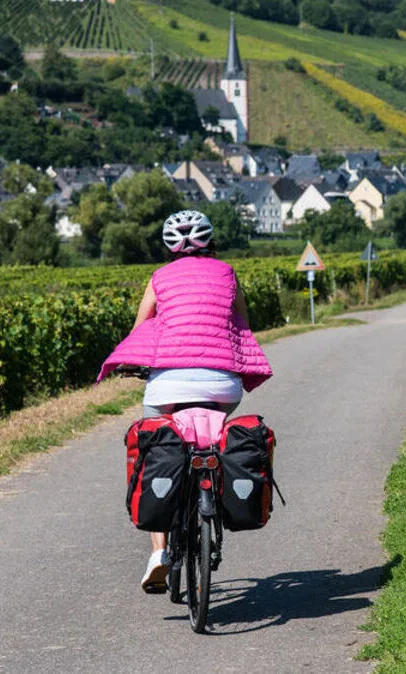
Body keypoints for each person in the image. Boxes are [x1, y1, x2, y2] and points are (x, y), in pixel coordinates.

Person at [97, 209, 273, 594]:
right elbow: (241, 324)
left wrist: (133, 361)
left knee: (155, 448)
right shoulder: (227, 274)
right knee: (211, 438)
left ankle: (159, 553)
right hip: (222, 386)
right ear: (210, 242)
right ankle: (213, 485)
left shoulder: (159, 278)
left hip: (167, 387)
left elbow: (142, 327)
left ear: (168, 247)